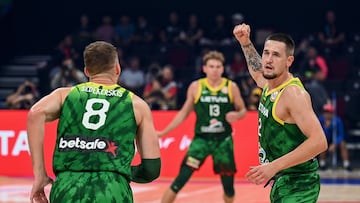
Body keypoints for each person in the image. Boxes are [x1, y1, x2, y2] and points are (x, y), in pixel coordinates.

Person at [27, 41, 161, 203]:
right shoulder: (136, 104)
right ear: (117, 69)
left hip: (67, 186)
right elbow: (152, 169)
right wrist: (118, 169)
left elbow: (35, 113)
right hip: (112, 188)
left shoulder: (65, 95)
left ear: (87, 71)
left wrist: (40, 174)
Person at [233, 24, 328, 203]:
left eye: (276, 55)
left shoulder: (293, 94)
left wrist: (272, 167)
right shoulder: (270, 84)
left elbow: (319, 142)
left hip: (299, 184)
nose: (268, 59)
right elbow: (257, 73)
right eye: (266, 53)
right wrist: (245, 43)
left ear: (289, 61)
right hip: (283, 182)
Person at [158, 50, 247, 203]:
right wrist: (164, 132)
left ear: (223, 68)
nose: (215, 69)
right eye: (211, 66)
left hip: (223, 141)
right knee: (180, 179)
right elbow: (184, 113)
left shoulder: (231, 87)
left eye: (218, 66)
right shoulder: (196, 87)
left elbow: (243, 110)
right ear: (204, 68)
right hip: (201, 141)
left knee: (228, 186)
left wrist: (237, 115)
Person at [318, 103, 352, 171]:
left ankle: (346, 164)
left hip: (335, 140)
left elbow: (341, 135)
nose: (327, 114)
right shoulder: (320, 120)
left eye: (329, 112)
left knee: (343, 144)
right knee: (321, 144)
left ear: (332, 113)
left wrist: (335, 144)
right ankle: (322, 164)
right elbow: (319, 133)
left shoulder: (337, 120)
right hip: (325, 139)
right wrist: (326, 128)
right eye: (325, 112)